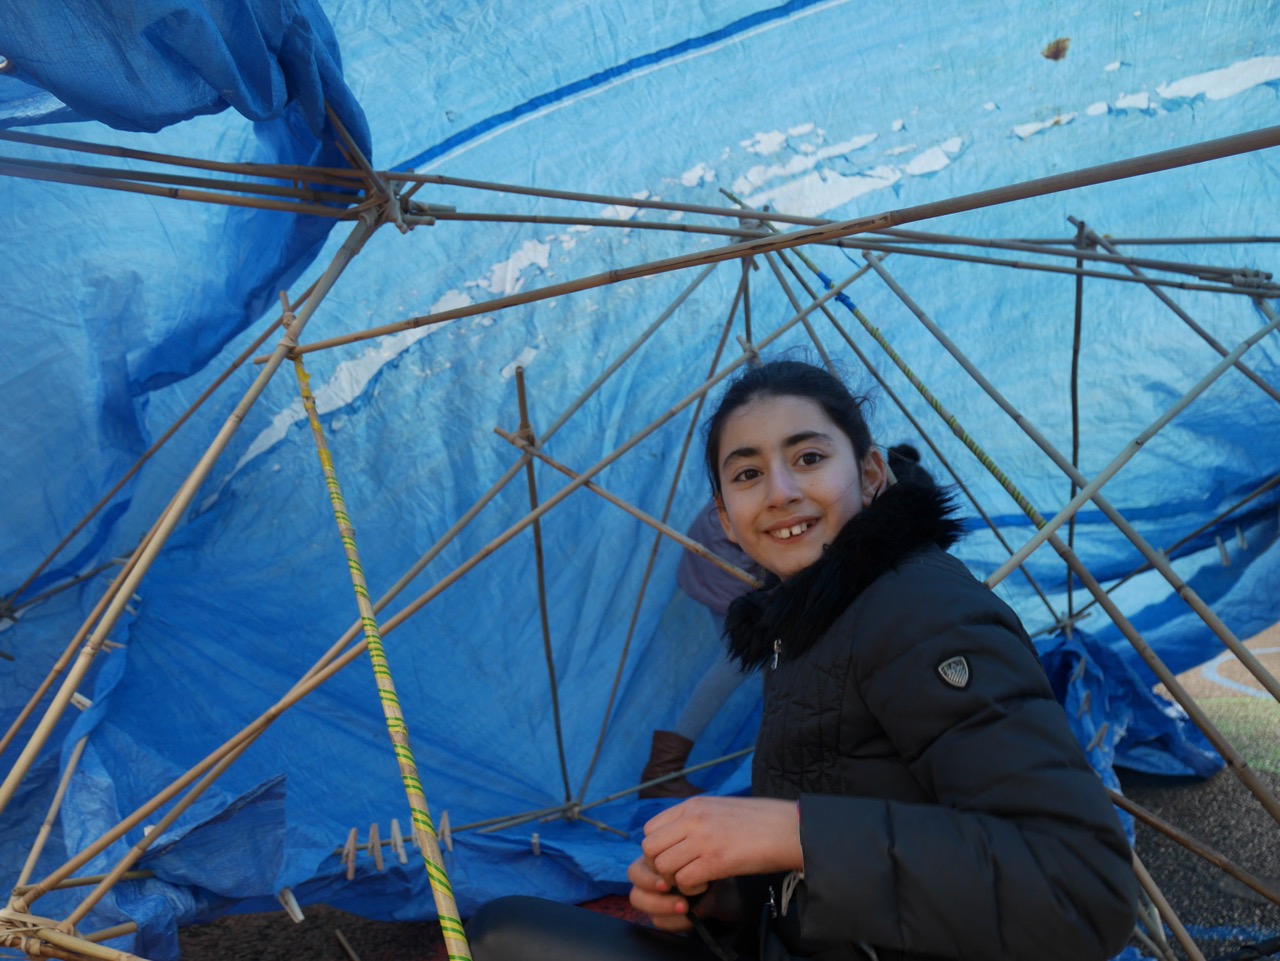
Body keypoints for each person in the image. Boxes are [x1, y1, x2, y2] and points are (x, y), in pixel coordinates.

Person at [468, 360, 1138, 961]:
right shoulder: (806, 625)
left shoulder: (924, 614)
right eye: (748, 474)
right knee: (506, 932)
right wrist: (723, 896)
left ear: (870, 475)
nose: (780, 491)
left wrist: (795, 832)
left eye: (809, 457)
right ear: (725, 519)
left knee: (504, 938)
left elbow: (1080, 889)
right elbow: (842, 867)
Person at [638, 501, 758, 798]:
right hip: (731, 545)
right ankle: (662, 770)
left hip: (736, 536)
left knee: (762, 657)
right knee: (738, 657)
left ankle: (663, 770)